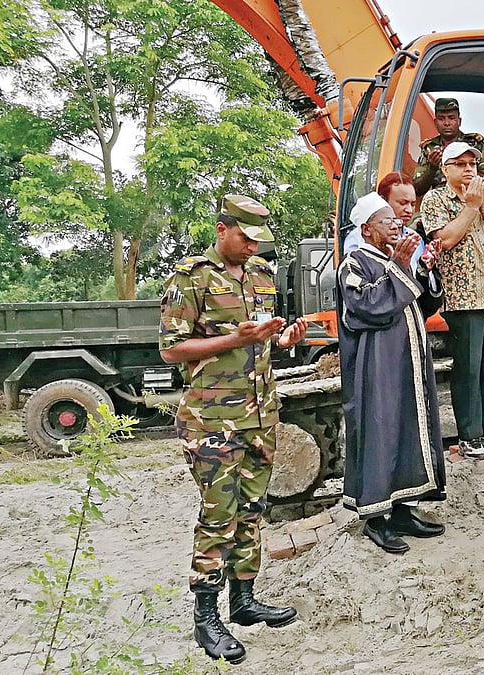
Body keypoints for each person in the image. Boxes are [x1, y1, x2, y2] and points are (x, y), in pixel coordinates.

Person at [159, 195, 308, 663]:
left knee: (252, 509)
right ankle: (206, 618)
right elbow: (171, 349)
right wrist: (234, 338)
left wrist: (282, 339)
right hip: (212, 421)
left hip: (260, 414)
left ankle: (243, 602)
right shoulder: (190, 278)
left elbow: (261, 341)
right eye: (245, 238)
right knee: (218, 515)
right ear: (222, 229)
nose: (252, 247)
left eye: (258, 240)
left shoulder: (261, 275)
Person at [337, 192, 446, 555]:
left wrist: (425, 270)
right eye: (388, 222)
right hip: (377, 366)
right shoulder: (354, 262)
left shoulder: (395, 261)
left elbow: (423, 306)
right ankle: (376, 518)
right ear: (367, 230)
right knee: (380, 430)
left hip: (408, 363)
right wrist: (401, 267)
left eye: (396, 222)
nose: (398, 225)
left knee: (407, 429)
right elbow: (367, 305)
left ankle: (402, 510)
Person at [420, 142, 484, 459]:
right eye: (460, 164)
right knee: (469, 369)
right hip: (463, 298)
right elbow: (443, 239)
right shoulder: (435, 198)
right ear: (445, 169)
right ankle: (470, 434)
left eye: (473, 163)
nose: (469, 169)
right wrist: (471, 206)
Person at [412, 98, 484, 196]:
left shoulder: (474, 143)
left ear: (459, 121)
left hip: (470, 197)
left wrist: (459, 183)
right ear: (435, 122)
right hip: (438, 201)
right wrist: (432, 168)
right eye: (441, 119)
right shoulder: (429, 148)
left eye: (451, 118)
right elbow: (417, 189)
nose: (446, 123)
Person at [343, 172, 424, 268]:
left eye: (413, 204)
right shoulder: (357, 239)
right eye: (402, 203)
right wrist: (397, 265)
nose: (409, 210)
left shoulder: (415, 238)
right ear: (383, 200)